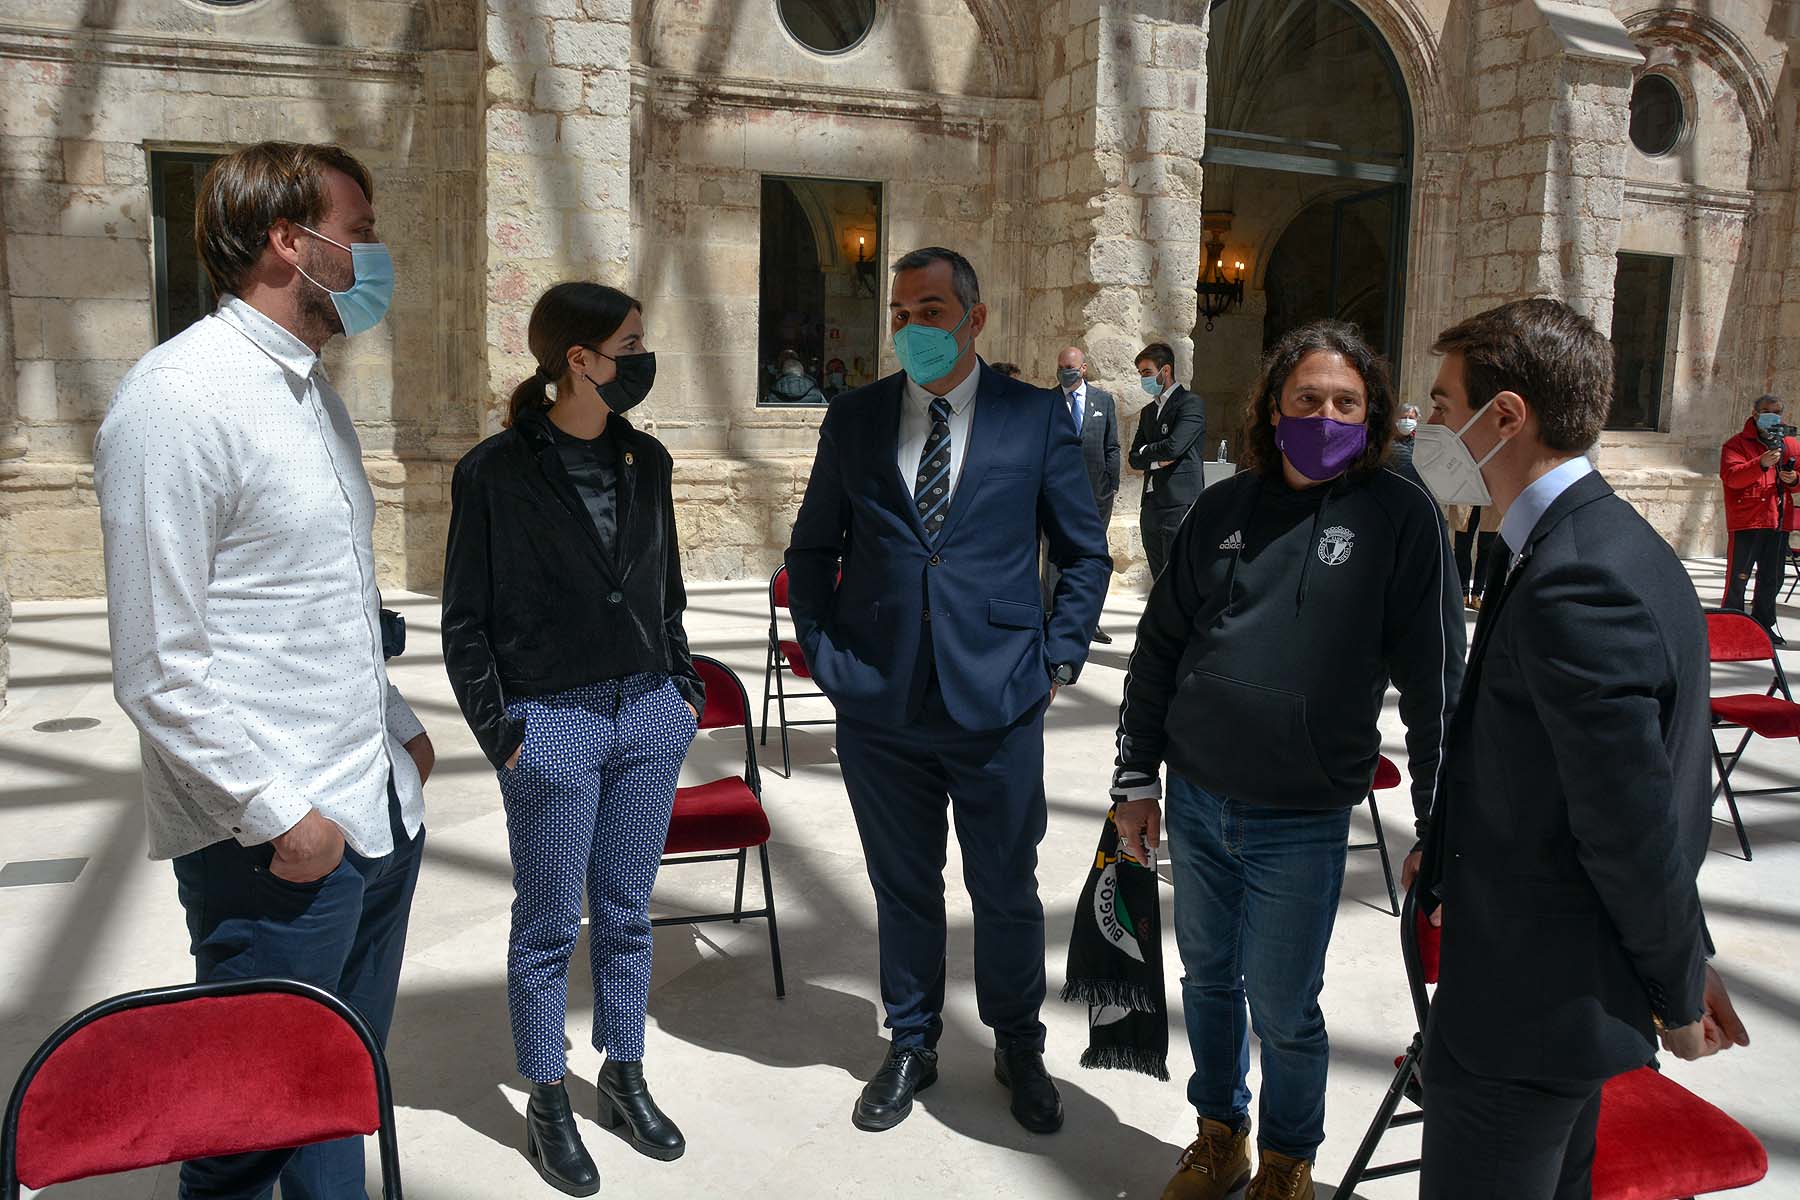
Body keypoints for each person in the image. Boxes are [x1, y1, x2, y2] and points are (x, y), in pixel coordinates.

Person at [94, 141, 433, 1200]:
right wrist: (282, 814)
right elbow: (158, 663)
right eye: (362, 230)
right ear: (293, 242)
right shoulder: (177, 399)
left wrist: (392, 719)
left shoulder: (308, 391)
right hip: (277, 848)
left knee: (335, 1089)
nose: (375, 254)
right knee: (246, 1130)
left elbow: (313, 595)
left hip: (372, 804)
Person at [1111, 320, 1463, 1200]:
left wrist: (1441, 821)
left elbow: (1436, 687)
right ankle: (1219, 1133)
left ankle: (1286, 1160)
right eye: (1308, 398)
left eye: (1346, 401)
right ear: (1274, 408)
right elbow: (1159, 649)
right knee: (1209, 984)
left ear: (1373, 413)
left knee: (1284, 1005)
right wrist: (1133, 776)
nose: (1326, 414)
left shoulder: (1402, 516)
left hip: (1300, 815)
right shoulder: (1223, 510)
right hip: (1195, 799)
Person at [1410, 298, 1746, 1200]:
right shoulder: (1590, 540)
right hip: (1549, 995)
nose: (1428, 424)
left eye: (1443, 405)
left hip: (1529, 1016)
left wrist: (1677, 989)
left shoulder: (1577, 577)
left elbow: (1628, 820)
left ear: (1505, 416)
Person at [785, 247, 1111, 1135]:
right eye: (899, 312)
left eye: (931, 309)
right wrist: (822, 652)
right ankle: (912, 1042)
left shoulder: (1036, 417)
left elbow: (1083, 551)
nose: (911, 327)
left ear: (975, 317)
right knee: (904, 885)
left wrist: (1060, 658)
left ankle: (1018, 1043)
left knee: (1006, 884)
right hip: (881, 700)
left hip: (999, 695)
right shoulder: (853, 419)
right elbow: (813, 548)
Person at [442, 282, 704, 1196]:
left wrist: (681, 687)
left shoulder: (649, 459)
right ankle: (546, 1095)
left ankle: (624, 1073)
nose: (642, 357)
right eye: (628, 343)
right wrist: (502, 732)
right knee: (549, 922)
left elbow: (665, 588)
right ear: (578, 361)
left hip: (645, 713)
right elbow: (464, 620)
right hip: (549, 722)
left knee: (629, 912)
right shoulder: (494, 470)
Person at [1044, 345, 1121, 643]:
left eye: (1071, 367)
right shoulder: (1048, 400)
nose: (1065, 372)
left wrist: (1111, 483)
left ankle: (1090, 620)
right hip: (1056, 494)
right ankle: (1054, 617)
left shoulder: (1103, 401)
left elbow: (1111, 445)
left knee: (1092, 558)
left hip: (1096, 495)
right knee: (1053, 558)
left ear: (1084, 368)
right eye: (1061, 367)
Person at [1719, 393, 1799, 643]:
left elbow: (1798, 476)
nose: (1772, 417)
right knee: (1738, 577)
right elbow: (1732, 477)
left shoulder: (1790, 444)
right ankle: (1731, 625)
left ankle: (1764, 625)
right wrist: (1760, 463)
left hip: (1778, 519)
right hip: (1748, 520)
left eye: (1777, 412)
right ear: (1755, 414)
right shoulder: (1736, 444)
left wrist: (1793, 479)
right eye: (1767, 412)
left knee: (1772, 577)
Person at [1130, 342, 1208, 577]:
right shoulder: (1148, 412)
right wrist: (1153, 459)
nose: (1143, 379)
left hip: (1179, 503)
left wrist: (1147, 452)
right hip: (1151, 504)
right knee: (1158, 577)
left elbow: (1174, 447)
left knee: (1177, 575)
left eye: (1147, 372)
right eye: (1140, 373)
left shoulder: (1190, 403)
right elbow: (1134, 457)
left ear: (1165, 370)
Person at [1448, 502, 1502, 610]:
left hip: (1491, 496)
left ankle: (1476, 595)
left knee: (1486, 549)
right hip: (1467, 495)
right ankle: (1462, 593)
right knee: (1461, 548)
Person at [1392, 402, 1421, 466]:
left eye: (1411, 418)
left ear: (1417, 419)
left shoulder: (1421, 441)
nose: (1407, 421)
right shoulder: (1389, 441)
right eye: (1403, 418)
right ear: (1395, 419)